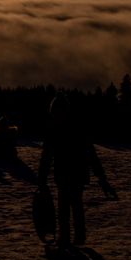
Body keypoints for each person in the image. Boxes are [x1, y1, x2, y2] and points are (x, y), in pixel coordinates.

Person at [37, 95, 115, 246]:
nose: (56, 116)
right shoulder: (63, 130)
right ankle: (69, 237)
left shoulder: (68, 130)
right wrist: (42, 180)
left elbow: (91, 155)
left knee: (71, 206)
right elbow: (46, 158)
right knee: (66, 207)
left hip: (75, 175)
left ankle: (76, 237)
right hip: (67, 175)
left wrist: (101, 177)